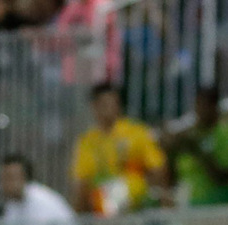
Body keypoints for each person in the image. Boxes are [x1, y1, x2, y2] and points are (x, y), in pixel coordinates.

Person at [70, 82, 166, 215]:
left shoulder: (137, 133)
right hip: (100, 209)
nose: (109, 108)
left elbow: (157, 168)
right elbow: (81, 181)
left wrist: (161, 199)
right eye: (104, 104)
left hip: (137, 208)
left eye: (112, 103)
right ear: (94, 106)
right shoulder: (88, 142)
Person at [0, 154, 84, 225]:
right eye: (4, 178)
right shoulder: (13, 204)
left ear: (25, 177)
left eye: (11, 177)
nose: (5, 183)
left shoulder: (39, 200)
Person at [164, 86, 228, 206]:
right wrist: (170, 152)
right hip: (190, 208)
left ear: (214, 107)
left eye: (205, 105)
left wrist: (198, 151)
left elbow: (224, 177)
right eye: (198, 105)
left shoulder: (226, 135)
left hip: (217, 208)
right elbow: (173, 178)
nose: (200, 111)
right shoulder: (190, 136)